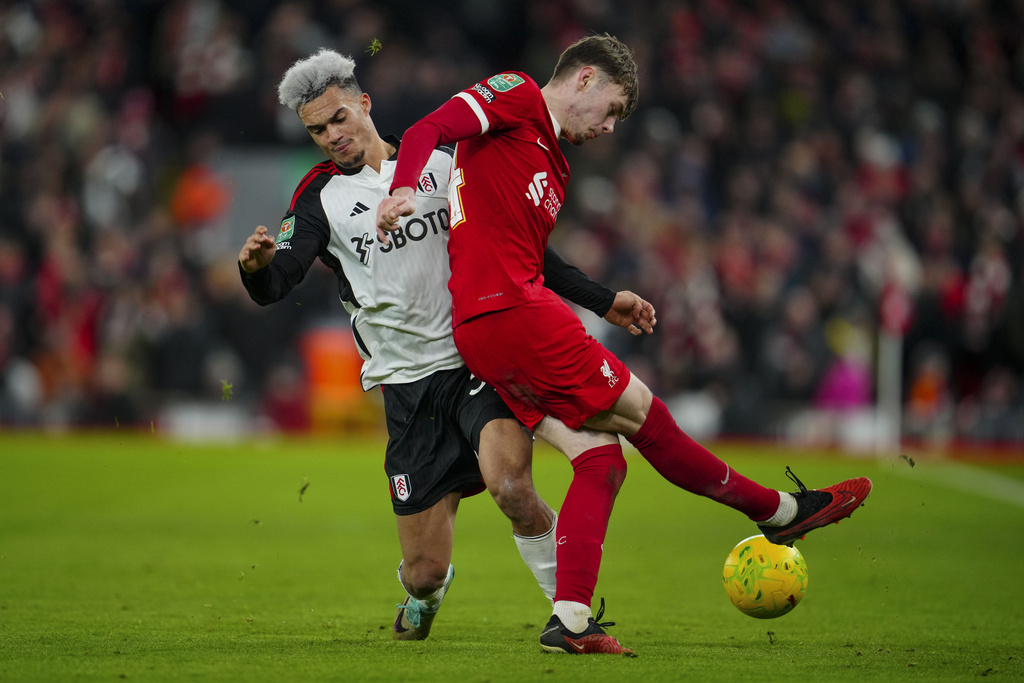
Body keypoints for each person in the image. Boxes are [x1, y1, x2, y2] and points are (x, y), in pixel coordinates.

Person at [376, 33, 873, 655]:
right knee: (646, 414)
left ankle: (572, 621)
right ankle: (778, 511)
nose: (610, 127)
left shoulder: (550, 165)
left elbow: (534, 256)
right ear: (584, 79)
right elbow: (432, 126)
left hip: (493, 326)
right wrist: (403, 186)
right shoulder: (518, 95)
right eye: (612, 109)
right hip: (513, 315)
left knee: (601, 457)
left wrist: (604, 299)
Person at [237, 48, 653, 643]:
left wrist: (601, 297)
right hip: (407, 386)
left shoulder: (440, 156)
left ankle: (573, 618)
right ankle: (424, 596)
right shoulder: (317, 199)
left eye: (339, 119)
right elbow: (278, 283)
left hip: (473, 362)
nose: (332, 135)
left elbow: (520, 246)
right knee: (424, 571)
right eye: (317, 129)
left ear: (365, 104)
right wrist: (256, 268)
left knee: (512, 486)